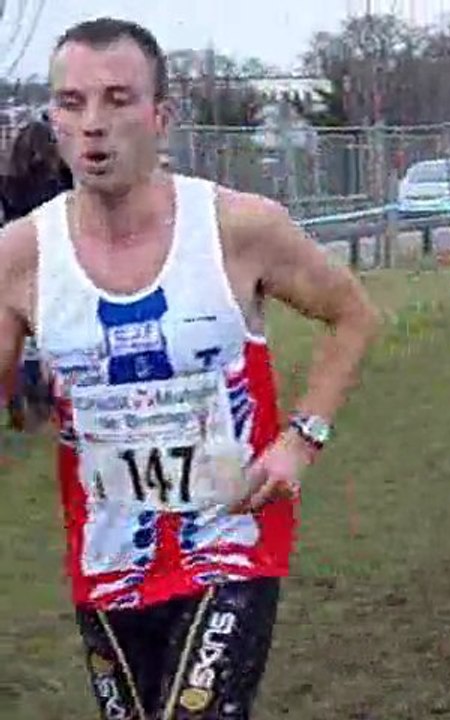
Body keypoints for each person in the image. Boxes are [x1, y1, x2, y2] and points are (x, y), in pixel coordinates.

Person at [0, 18, 379, 720]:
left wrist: (302, 438)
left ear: (160, 115)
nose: (93, 126)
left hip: (230, 538)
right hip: (109, 559)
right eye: (72, 103)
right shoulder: (22, 255)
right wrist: (33, 385)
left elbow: (353, 313)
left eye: (118, 99)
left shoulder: (237, 228)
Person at [0, 119, 72, 430]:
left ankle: (25, 397)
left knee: (24, 334)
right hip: (55, 259)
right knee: (53, 327)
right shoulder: (59, 180)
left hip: (20, 262)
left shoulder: (8, 183)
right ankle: (48, 397)